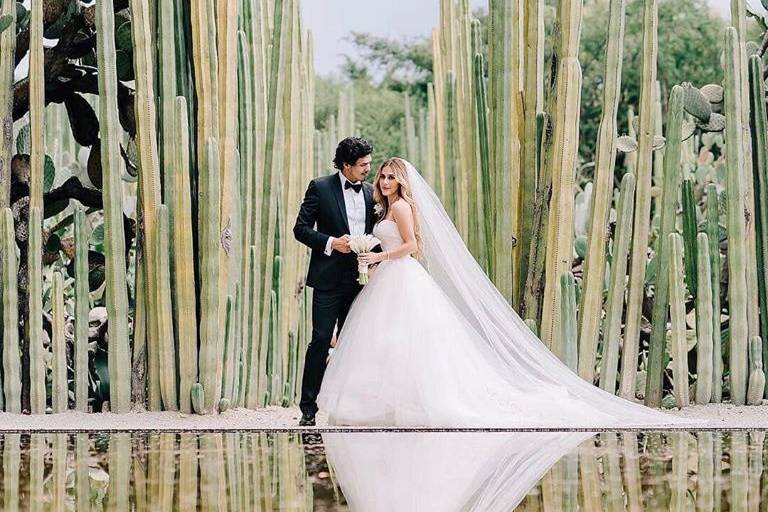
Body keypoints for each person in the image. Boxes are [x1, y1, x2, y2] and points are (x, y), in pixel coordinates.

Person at [316, 157, 700, 427]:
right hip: (386, 280)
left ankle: (414, 405)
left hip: (400, 276)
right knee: (388, 344)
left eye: (389, 177)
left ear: (401, 181)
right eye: (381, 177)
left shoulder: (400, 207)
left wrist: (378, 257)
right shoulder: (384, 209)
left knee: (410, 342)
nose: (383, 183)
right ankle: (384, 406)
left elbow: (414, 246)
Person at [293, 137, 377, 426]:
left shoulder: (370, 192)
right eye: (363, 164)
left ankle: (354, 406)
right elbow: (300, 229)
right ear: (346, 166)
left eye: (368, 162)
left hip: (362, 281)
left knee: (357, 343)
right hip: (328, 279)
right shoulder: (320, 187)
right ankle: (308, 408)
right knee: (320, 340)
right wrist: (331, 242)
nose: (368, 168)